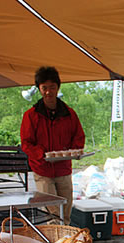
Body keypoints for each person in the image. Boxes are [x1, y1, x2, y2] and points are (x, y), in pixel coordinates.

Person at [20, 66, 84, 225]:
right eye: (44, 88)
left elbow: (79, 136)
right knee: (52, 213)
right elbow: (26, 143)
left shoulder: (69, 114)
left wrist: (74, 150)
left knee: (66, 211)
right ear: (39, 89)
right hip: (42, 170)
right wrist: (41, 154)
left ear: (58, 87)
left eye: (52, 87)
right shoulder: (31, 115)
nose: (48, 92)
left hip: (63, 169)